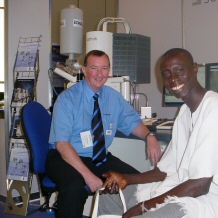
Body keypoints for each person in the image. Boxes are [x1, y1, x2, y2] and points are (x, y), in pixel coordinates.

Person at [98, 48, 218, 218]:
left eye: (179, 70)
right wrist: (126, 179)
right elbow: (166, 170)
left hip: (212, 200)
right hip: (186, 188)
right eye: (166, 74)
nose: (173, 79)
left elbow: (201, 184)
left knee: (147, 215)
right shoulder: (185, 112)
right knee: (108, 199)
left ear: (194, 68)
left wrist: (144, 207)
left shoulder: (215, 108)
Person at [46, 50, 162, 218]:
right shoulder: (67, 99)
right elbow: (62, 144)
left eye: (104, 68)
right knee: (74, 186)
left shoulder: (113, 97)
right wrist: (88, 176)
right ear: (84, 70)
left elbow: (133, 122)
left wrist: (149, 136)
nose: (99, 74)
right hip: (65, 157)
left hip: (99, 158)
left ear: (109, 71)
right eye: (94, 68)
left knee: (136, 181)